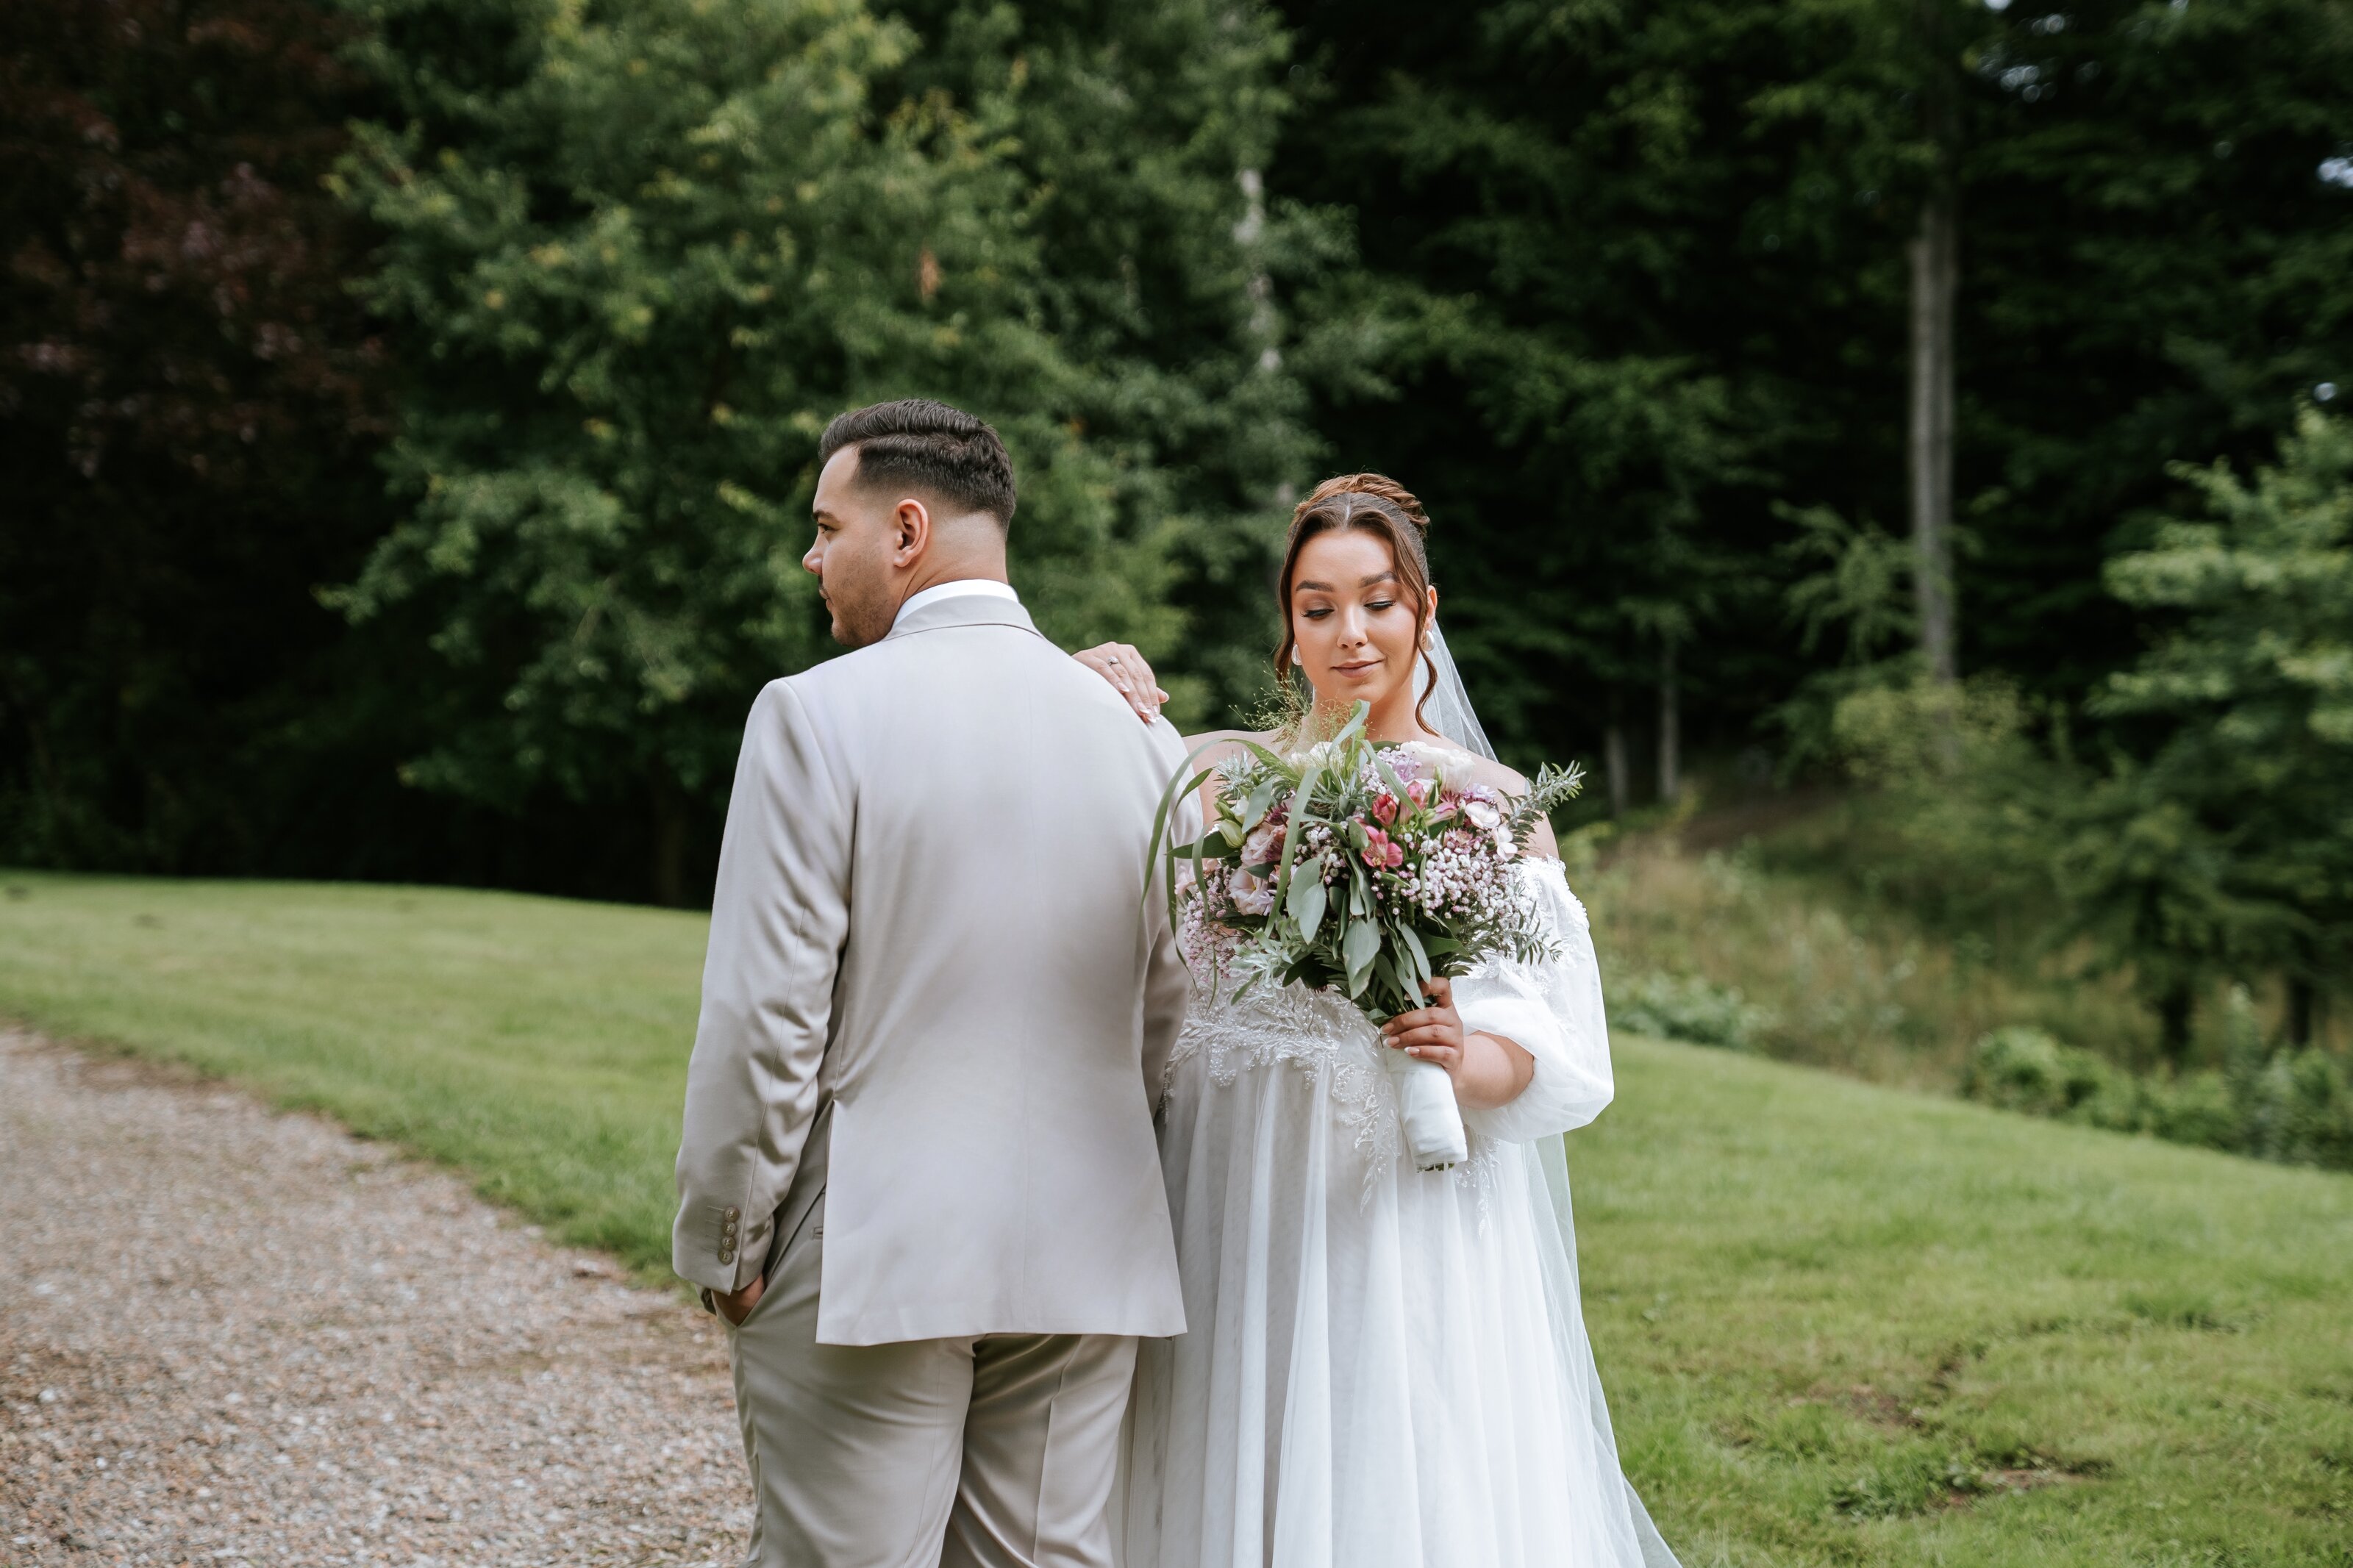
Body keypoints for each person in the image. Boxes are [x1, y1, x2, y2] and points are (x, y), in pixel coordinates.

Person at [1075, 475, 1682, 1568]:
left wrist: (1464, 1054)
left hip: (1386, 1204)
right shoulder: (1216, 776)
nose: (1349, 632)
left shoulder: (1493, 804)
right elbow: (1072, 810)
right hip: (1228, 1186)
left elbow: (1547, 1046)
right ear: (1289, 626)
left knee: (1380, 1469)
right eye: (1318, 607)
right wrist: (1083, 684)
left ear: (1425, 611)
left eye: (1378, 602)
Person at [672, 398, 1193, 1568]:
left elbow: (766, 1019)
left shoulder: (814, 715)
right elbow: (1173, 1008)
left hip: (872, 1248)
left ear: (906, 529)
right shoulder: (1143, 738)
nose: (812, 559)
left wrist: (729, 1238)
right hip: (1088, 1246)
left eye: (827, 528)